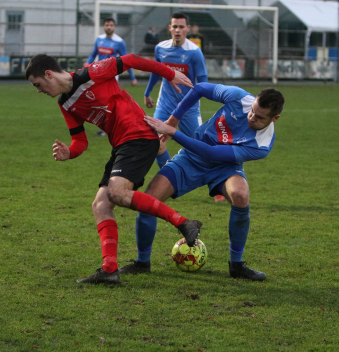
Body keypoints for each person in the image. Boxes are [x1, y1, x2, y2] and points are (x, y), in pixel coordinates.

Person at [25, 53, 203, 284]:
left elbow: (131, 60)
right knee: (100, 205)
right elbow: (81, 141)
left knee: (116, 193)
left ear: (48, 74)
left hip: (138, 135)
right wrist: (70, 152)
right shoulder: (65, 104)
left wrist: (169, 74)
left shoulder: (91, 73)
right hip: (121, 145)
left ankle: (184, 223)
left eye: (37, 85)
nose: (38, 91)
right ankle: (110, 270)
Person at [119, 82, 285, 281]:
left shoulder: (262, 144)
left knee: (241, 195)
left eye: (259, 117)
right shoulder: (238, 97)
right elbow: (199, 89)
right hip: (190, 159)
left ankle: (237, 264)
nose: (252, 117)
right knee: (148, 201)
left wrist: (172, 132)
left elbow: (212, 153)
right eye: (253, 111)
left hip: (224, 166)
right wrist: (173, 120)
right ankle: (142, 262)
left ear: (275, 118)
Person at [144, 13, 207, 171]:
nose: (178, 30)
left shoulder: (194, 52)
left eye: (181, 27)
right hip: (165, 105)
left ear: (188, 29)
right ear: (170, 28)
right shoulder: (161, 48)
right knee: (156, 144)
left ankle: (218, 186)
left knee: (201, 149)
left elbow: (203, 83)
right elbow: (156, 71)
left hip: (188, 109)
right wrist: (147, 92)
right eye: (175, 26)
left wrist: (187, 102)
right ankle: (170, 177)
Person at [86, 17, 138, 136]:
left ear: (114, 27)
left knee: (106, 102)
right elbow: (93, 54)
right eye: (106, 25)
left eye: (111, 25)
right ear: (104, 26)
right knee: (101, 102)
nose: (109, 27)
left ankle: (110, 127)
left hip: (111, 77)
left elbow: (126, 61)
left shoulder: (119, 42)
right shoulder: (99, 39)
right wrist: (87, 65)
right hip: (98, 76)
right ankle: (113, 126)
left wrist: (132, 77)